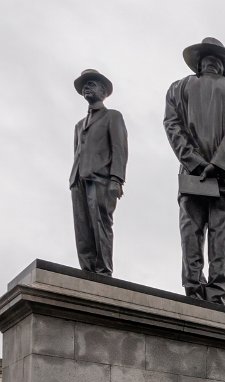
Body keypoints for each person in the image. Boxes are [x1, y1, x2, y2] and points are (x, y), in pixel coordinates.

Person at [164, 37, 225, 305]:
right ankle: (217, 296)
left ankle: (193, 289)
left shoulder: (178, 88)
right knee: (222, 239)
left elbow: (172, 127)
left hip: (192, 176)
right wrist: (218, 164)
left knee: (191, 234)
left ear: (200, 63)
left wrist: (195, 162)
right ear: (222, 65)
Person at [70, 69, 128, 276]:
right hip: (78, 179)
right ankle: (87, 269)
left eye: (92, 84)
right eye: (85, 85)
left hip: (101, 178)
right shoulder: (78, 125)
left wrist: (117, 178)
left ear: (104, 92)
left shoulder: (112, 116)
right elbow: (77, 151)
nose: (87, 87)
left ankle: (103, 271)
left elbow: (119, 148)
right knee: (82, 228)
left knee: (100, 223)